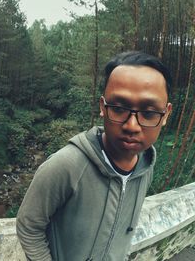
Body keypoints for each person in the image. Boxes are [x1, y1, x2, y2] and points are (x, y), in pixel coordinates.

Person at [16, 51, 173, 261]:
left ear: (166, 115)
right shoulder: (66, 166)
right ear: (102, 107)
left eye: (149, 113)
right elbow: (29, 225)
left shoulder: (145, 167)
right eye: (118, 108)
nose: (132, 126)